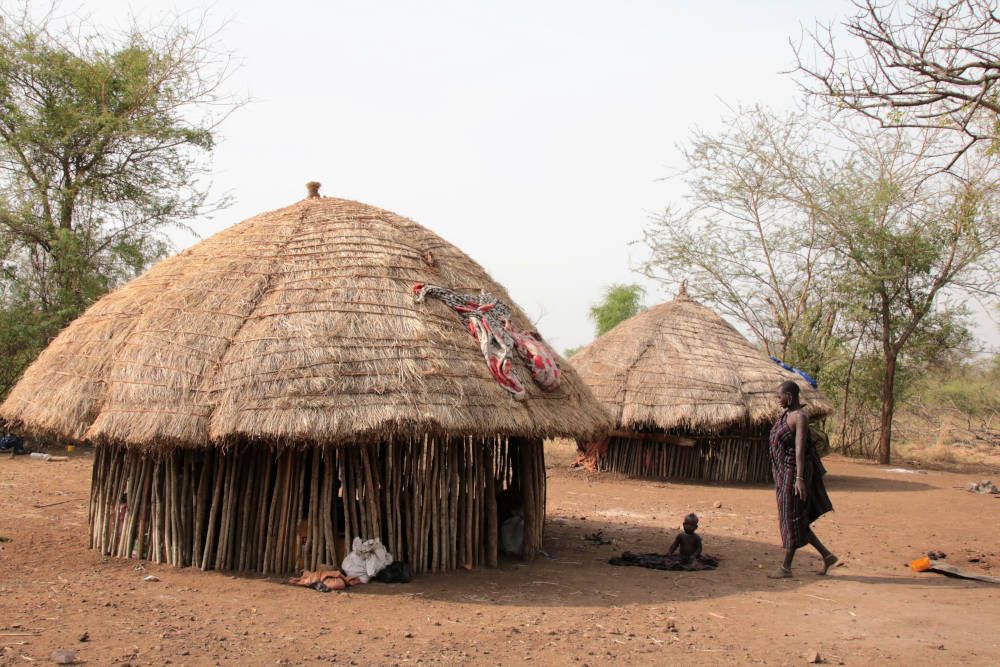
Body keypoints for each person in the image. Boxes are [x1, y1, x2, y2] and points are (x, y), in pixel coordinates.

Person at [767, 380, 837, 578]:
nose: (778, 400)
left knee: (793, 519)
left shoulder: (800, 417)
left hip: (793, 474)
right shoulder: (786, 415)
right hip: (783, 474)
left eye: (780, 396)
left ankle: (786, 567)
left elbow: (799, 449)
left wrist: (799, 478)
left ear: (789, 396)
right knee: (795, 519)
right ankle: (827, 555)